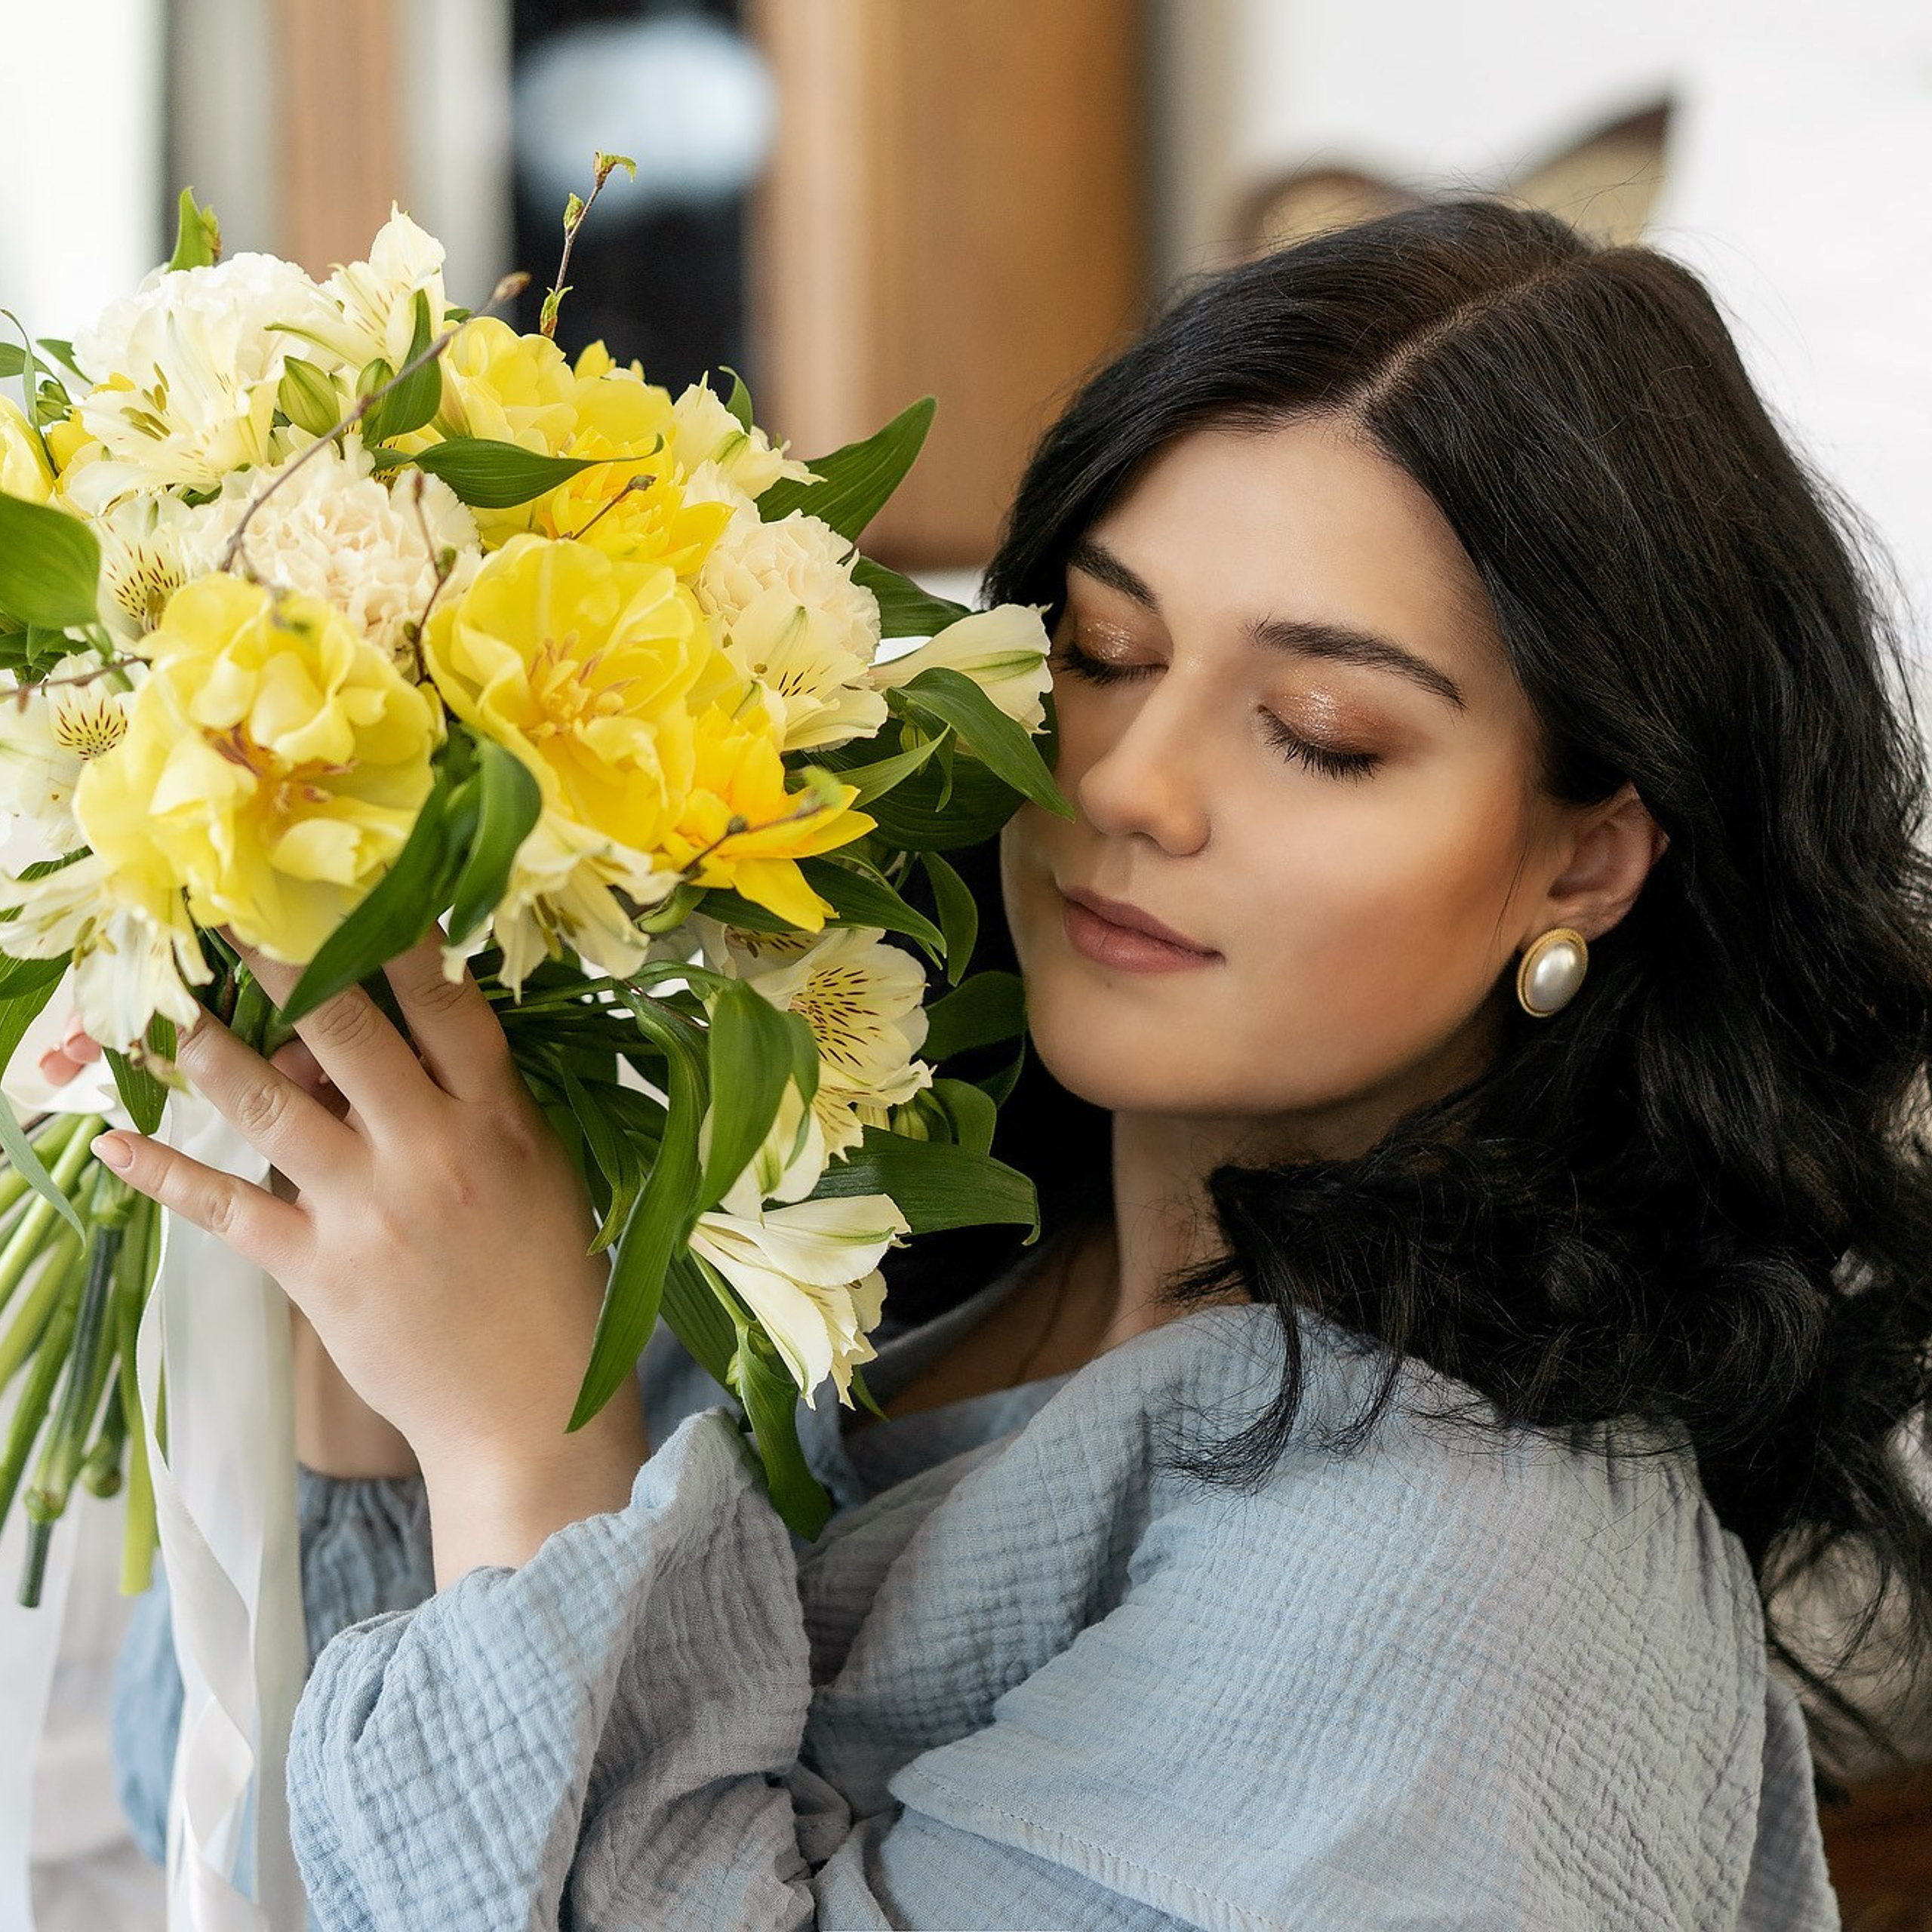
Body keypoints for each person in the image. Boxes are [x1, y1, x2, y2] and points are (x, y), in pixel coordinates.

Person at [101, 195, 1932, 1927]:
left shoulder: (1481, 1583)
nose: (1127, 780)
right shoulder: (844, 1222)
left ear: (1584, 854)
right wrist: (371, 1322)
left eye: (1318, 731)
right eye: (1105, 647)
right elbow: (255, 1842)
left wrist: (521, 1443)